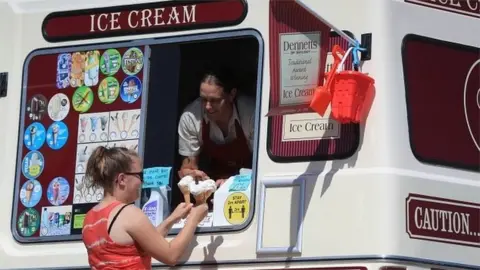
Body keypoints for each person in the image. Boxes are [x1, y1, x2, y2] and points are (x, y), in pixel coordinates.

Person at [82, 146, 208, 269]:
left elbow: (144, 242)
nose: (142, 182)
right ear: (122, 179)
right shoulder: (128, 214)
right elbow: (171, 255)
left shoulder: (89, 218)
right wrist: (194, 219)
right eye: (139, 176)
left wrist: (172, 219)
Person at [177, 67, 255, 187]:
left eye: (215, 100)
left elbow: (262, 165)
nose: (207, 106)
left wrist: (232, 182)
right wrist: (192, 175)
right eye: (203, 99)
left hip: (249, 182)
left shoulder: (251, 114)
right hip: (213, 183)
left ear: (232, 94)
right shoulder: (191, 117)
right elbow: (188, 167)